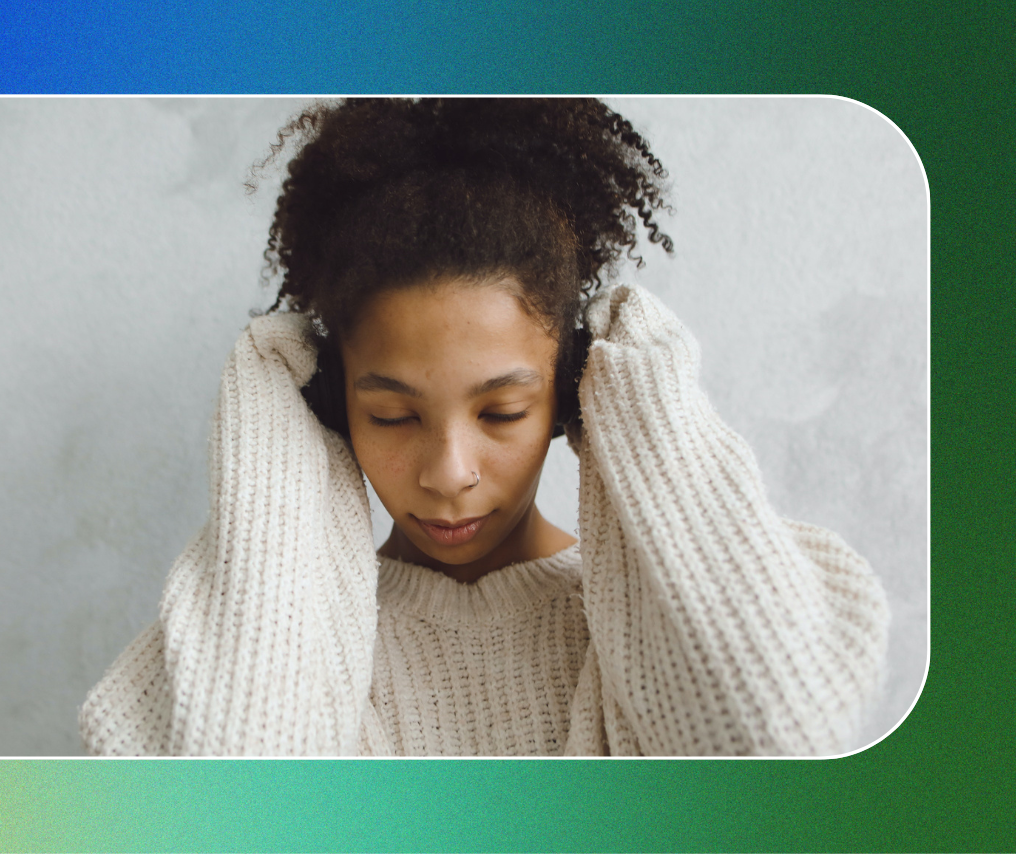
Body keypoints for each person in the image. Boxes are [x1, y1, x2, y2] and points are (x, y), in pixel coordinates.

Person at [78, 98, 890, 757]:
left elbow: (783, 739)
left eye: (501, 411)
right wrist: (276, 428)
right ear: (333, 405)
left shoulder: (648, 633)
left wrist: (641, 397)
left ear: (572, 394)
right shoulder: (262, 644)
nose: (449, 471)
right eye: (391, 414)